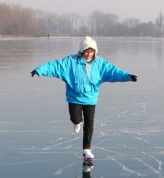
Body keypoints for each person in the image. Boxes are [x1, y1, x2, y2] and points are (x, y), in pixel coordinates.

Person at [31, 36, 137, 165]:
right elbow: (55, 66)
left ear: (95, 52)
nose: (89, 54)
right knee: (75, 118)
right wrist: (39, 70)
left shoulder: (100, 64)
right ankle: (77, 122)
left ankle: (87, 149)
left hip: (91, 99)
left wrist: (127, 76)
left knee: (89, 124)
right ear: (82, 51)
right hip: (74, 98)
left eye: (91, 51)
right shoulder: (71, 62)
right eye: (87, 51)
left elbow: (113, 71)